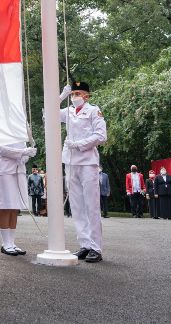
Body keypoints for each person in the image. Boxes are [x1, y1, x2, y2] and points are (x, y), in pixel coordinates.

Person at [59, 81, 108, 263]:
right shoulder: (69, 112)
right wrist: (61, 96)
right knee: (77, 206)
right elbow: (48, 115)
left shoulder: (93, 111)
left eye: (78, 93)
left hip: (87, 162)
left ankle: (96, 247)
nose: (75, 97)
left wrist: (80, 144)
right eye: (73, 94)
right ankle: (85, 244)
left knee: (91, 205)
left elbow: (101, 136)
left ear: (87, 95)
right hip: (70, 162)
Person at [0, 143, 37, 255]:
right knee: (5, 205)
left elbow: (24, 154)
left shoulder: (20, 132)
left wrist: (27, 154)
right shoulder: (2, 127)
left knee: (14, 207)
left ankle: (11, 243)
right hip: (5, 170)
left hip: (19, 171)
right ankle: (5, 243)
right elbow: (0, 148)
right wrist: (23, 152)